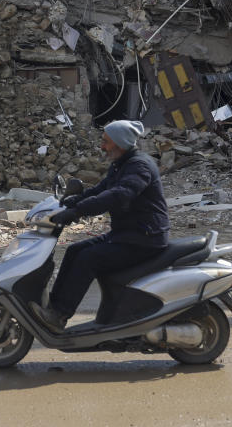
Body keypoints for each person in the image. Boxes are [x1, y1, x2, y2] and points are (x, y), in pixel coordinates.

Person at [28, 120, 170, 332]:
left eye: (105, 141)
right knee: (75, 250)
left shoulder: (139, 167)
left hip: (144, 238)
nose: (102, 146)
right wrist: (71, 203)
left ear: (120, 144)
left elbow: (118, 195)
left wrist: (77, 212)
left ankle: (59, 315)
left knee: (88, 258)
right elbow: (101, 189)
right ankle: (54, 307)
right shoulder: (121, 164)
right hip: (126, 234)